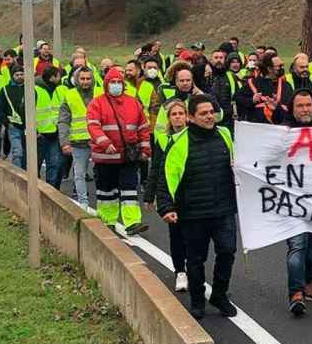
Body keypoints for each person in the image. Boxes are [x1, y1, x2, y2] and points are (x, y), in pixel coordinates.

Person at [156, 94, 238, 320]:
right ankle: (197, 299)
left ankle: (220, 294)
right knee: (195, 259)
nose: (210, 116)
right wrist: (165, 207)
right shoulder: (179, 142)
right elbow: (167, 176)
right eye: (204, 113)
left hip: (224, 209)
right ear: (191, 117)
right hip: (193, 213)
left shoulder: (225, 135)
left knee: (228, 251)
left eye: (211, 112)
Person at [87, 67, 152, 236]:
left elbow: (143, 127)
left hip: (128, 156)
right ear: (106, 84)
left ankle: (132, 222)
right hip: (106, 157)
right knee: (106, 191)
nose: (116, 85)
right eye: (112, 82)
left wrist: (145, 148)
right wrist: (105, 143)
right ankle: (107, 221)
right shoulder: (97, 103)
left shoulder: (133, 103)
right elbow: (93, 126)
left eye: (118, 82)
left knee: (130, 189)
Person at [282, 90, 312, 315]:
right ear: (292, 109)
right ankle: (296, 292)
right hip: (292, 202)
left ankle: (308, 280)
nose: (305, 109)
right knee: (297, 246)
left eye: (308, 105)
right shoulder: (282, 133)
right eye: (300, 106)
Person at [144, 98, 190, 292]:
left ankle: (194, 270)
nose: (178, 117)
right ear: (169, 119)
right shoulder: (165, 141)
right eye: (174, 114)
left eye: (181, 113)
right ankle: (180, 271)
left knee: (194, 237)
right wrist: (149, 195)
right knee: (176, 235)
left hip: (193, 195)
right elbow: (156, 169)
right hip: (173, 196)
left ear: (187, 117)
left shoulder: (194, 138)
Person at [59, 67, 102, 208]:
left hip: (99, 141)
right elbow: (63, 120)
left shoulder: (100, 93)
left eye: (88, 78)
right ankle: (83, 203)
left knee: (103, 173)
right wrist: (64, 142)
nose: (85, 81)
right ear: (77, 79)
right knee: (79, 174)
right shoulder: (69, 95)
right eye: (82, 78)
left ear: (92, 79)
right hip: (78, 142)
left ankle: (104, 201)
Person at [236, 54, 292, 124]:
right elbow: (238, 100)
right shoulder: (252, 84)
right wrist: (252, 100)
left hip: (278, 128)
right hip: (257, 128)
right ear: (269, 69)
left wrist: (277, 107)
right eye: (279, 66)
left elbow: (290, 108)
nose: (282, 68)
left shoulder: (286, 86)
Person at [36, 67, 65, 189]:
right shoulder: (35, 90)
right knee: (34, 165)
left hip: (54, 134)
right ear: (52, 78)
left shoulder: (59, 90)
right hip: (39, 135)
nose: (60, 79)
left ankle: (51, 192)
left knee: (55, 164)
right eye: (58, 76)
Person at [0, 65, 27, 169]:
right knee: (17, 152)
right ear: (12, 76)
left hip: (28, 127)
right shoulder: (5, 90)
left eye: (21, 74)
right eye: (17, 75)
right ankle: (17, 174)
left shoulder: (29, 89)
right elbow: (0, 108)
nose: (20, 77)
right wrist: (7, 123)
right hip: (13, 126)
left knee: (27, 154)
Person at [206, 48, 238, 131]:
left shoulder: (231, 76)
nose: (219, 60)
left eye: (221, 58)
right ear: (211, 60)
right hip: (209, 118)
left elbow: (237, 96)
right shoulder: (205, 75)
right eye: (216, 58)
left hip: (228, 120)